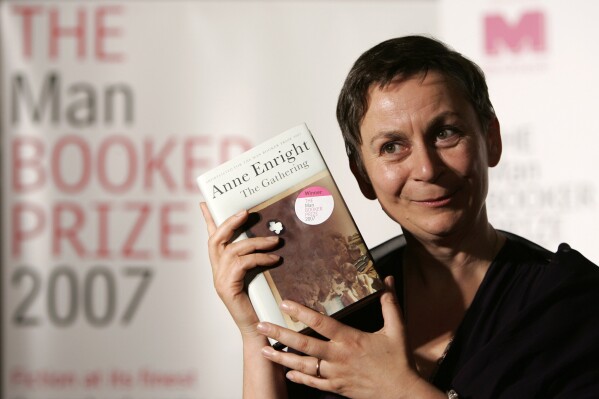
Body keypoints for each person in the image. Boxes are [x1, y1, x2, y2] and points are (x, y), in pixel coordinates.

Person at [200, 35, 599, 398]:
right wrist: (257, 335)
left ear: (490, 140)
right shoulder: (341, 303)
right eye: (392, 146)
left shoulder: (570, 303)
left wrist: (398, 390)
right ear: (362, 175)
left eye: (446, 133)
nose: (426, 168)